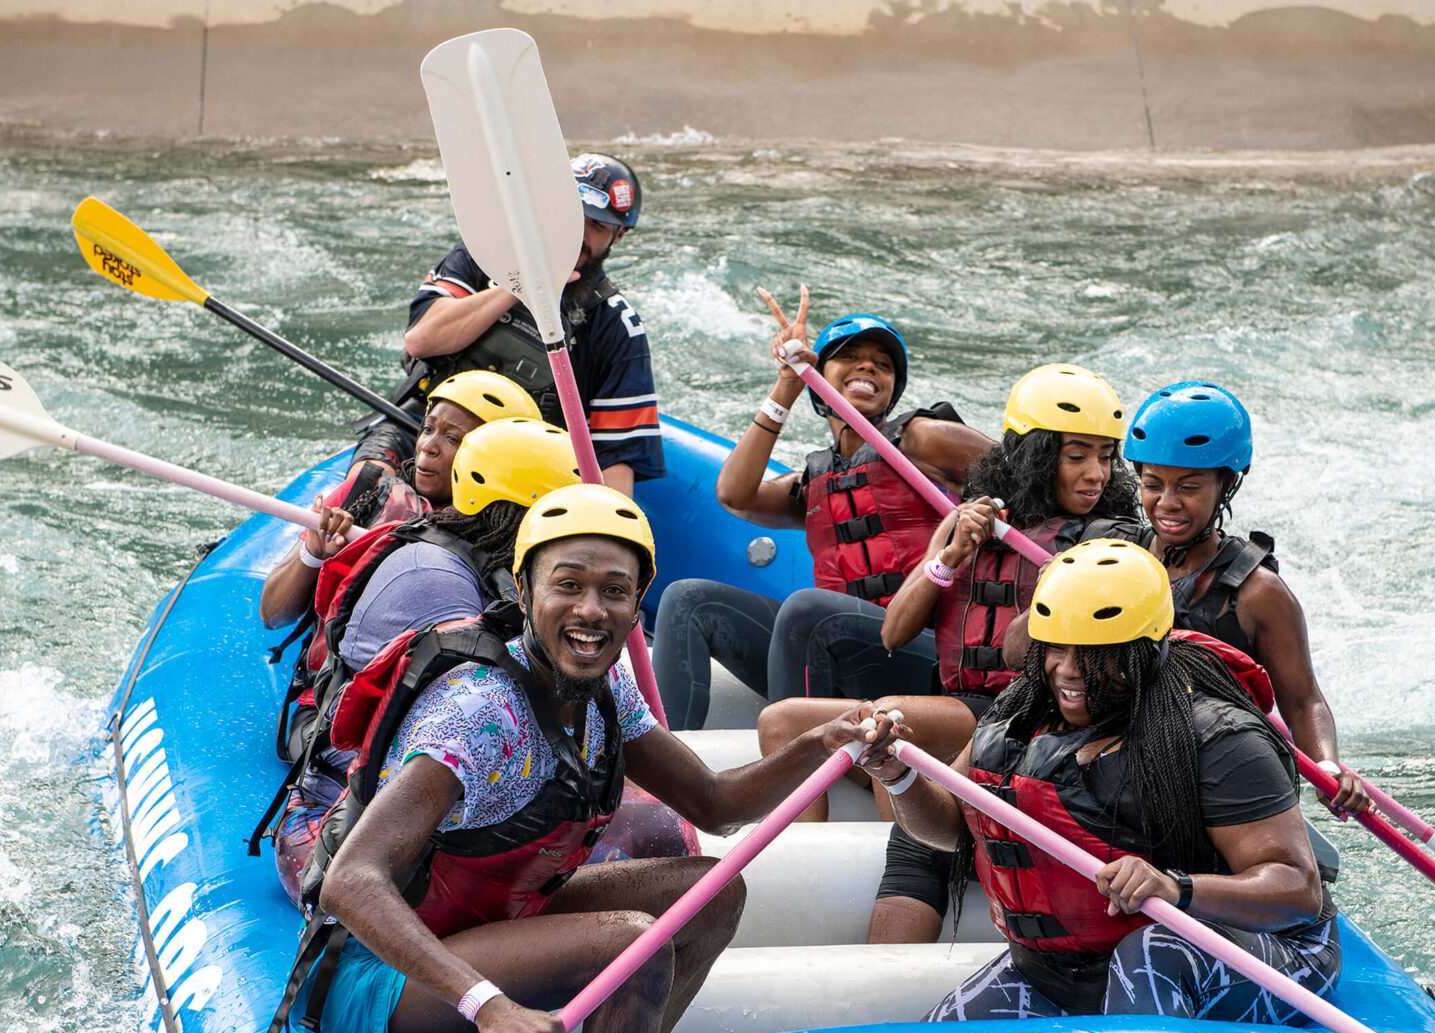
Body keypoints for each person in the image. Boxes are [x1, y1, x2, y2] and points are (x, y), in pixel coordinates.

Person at [299, 485, 895, 1033]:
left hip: (496, 923)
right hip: (376, 974)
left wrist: (820, 743)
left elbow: (715, 804)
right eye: (568, 585)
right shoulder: (479, 713)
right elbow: (350, 880)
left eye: (615, 592)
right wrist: (490, 1008)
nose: (591, 610)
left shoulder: (606, 690)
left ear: (638, 609)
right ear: (526, 590)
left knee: (711, 894)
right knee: (628, 941)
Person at [858, 539, 1340, 1024]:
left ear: (1143, 650)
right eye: (1057, 648)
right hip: (1069, 969)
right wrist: (899, 777)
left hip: (1255, 951)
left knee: (1152, 954)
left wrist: (1175, 888)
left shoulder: (1218, 736)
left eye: (1093, 653)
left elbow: (1298, 891)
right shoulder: (1018, 719)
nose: (1068, 671)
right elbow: (950, 830)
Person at [750, 364, 1141, 942]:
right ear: (1035, 454)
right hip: (955, 705)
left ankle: (915, 842)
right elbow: (894, 632)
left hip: (1016, 714)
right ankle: (804, 871)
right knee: (780, 720)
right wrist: (952, 552)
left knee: (890, 719)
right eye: (1076, 455)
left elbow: (1025, 655)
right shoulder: (974, 521)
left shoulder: (1108, 539)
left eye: (1105, 457)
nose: (1094, 474)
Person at [257, 416, 580, 901]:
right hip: (339, 831)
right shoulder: (432, 579)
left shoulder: (488, 565)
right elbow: (460, 736)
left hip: (424, 804)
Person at [650, 291, 991, 728]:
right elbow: (735, 494)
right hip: (826, 652)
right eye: (850, 357)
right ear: (820, 378)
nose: (868, 366)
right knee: (687, 598)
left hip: (921, 653)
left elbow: (1023, 472)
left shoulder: (922, 440)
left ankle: (795, 769)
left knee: (808, 609)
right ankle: (669, 767)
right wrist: (788, 384)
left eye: (883, 364)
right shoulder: (814, 482)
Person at [1125, 381, 1369, 812]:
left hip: (1220, 774)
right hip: (1133, 759)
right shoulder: (1116, 558)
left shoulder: (1258, 593)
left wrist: (1328, 767)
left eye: (1189, 486)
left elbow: (1303, 699)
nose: (1167, 502)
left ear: (1226, 486)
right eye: (1152, 484)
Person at [391, 153, 661, 495]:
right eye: (570, 215)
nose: (577, 233)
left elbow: (615, 467)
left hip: (517, 477)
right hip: (419, 435)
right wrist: (521, 285)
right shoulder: (481, 256)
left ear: (618, 237)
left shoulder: (617, 328)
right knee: (371, 474)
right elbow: (421, 341)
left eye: (597, 226)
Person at [256, 370, 541, 634]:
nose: (427, 446)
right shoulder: (365, 495)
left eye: (453, 438)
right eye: (428, 429)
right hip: (340, 683)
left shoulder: (516, 534)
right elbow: (272, 614)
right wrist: (313, 555)